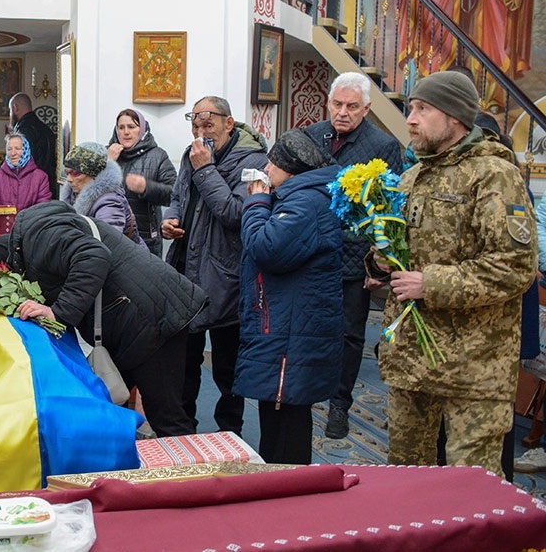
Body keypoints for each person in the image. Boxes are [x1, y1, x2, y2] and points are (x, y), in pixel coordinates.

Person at [372, 70, 536, 477]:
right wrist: (379, 259)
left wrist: (431, 283)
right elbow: (401, 250)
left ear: (457, 119)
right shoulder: (413, 176)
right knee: (405, 480)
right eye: (411, 108)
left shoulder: (494, 175)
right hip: (412, 362)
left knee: (470, 491)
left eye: (423, 109)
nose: (410, 119)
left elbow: (515, 267)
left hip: (473, 366)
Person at [0, 201, 207, 437]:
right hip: (137, 317)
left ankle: (194, 470)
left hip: (154, 318)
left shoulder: (38, 240)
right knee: (107, 406)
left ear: (10, 265)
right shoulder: (34, 239)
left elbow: (94, 256)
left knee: (166, 417)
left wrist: (58, 312)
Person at [161, 96, 269, 436]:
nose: (201, 132)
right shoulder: (190, 154)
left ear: (229, 123)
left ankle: (230, 431)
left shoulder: (254, 161)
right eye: (195, 126)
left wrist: (206, 169)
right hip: (185, 268)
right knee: (183, 362)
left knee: (227, 366)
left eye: (208, 125)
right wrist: (171, 218)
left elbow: (235, 212)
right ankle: (183, 427)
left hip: (227, 276)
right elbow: (178, 195)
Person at [304, 72, 403, 440]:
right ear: (328, 102)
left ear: (367, 109)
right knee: (310, 328)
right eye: (337, 104)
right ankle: (308, 392)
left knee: (348, 335)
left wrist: (380, 261)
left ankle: (339, 406)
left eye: (352, 106)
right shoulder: (312, 135)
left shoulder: (383, 145)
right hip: (311, 252)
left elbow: (389, 210)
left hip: (354, 258)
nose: (342, 112)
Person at [235, 129, 343, 465]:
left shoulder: (306, 202)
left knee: (285, 429)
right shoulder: (303, 196)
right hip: (287, 326)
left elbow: (267, 248)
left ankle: (286, 500)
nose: (267, 169)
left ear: (291, 168)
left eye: (273, 162)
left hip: (291, 336)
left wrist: (255, 201)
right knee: (281, 421)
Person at [107, 108, 177, 256]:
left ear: (142, 129)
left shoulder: (158, 156)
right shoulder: (106, 154)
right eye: (121, 127)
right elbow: (88, 190)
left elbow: (174, 194)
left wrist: (147, 188)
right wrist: (108, 163)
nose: (126, 132)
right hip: (111, 233)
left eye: (131, 127)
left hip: (146, 239)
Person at [60, 142, 145, 247]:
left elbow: (107, 245)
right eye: (67, 172)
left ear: (94, 173)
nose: (69, 179)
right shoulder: (75, 195)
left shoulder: (109, 202)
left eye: (76, 173)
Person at [0, 132, 51, 211]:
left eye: (17, 149)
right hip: (2, 222)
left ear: (26, 150)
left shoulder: (40, 177)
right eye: (9, 149)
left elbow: (43, 206)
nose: (13, 153)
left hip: (30, 223)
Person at [10, 92, 57, 197]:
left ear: (15, 108)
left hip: (30, 190)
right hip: (48, 186)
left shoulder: (22, 132)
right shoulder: (46, 129)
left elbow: (21, 165)